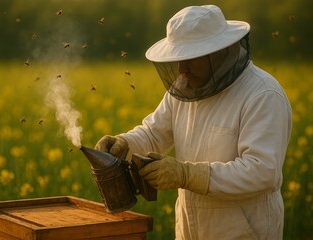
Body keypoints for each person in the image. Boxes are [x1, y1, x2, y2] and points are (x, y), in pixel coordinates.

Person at [95, 5, 292, 240]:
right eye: (178, 59)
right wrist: (124, 143)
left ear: (218, 52)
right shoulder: (185, 89)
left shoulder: (262, 94)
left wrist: (187, 174)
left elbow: (262, 170)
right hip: (189, 230)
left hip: (244, 233)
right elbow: (154, 134)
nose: (181, 70)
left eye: (190, 59)